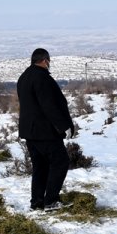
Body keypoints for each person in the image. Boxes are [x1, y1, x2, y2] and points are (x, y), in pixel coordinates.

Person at [17, 48, 74, 211]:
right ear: (44, 60)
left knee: (40, 166)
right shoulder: (42, 78)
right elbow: (49, 105)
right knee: (60, 162)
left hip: (30, 131)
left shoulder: (24, 77)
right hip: (45, 132)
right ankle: (51, 201)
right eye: (49, 61)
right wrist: (64, 126)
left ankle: (37, 202)